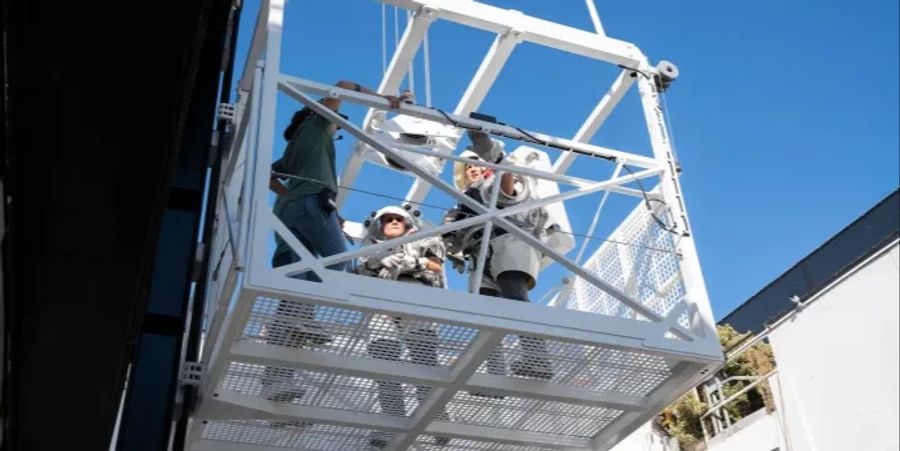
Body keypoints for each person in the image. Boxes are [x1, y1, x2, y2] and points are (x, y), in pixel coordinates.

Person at [262, 81, 411, 405]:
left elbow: (266, 174)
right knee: (339, 262)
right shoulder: (318, 124)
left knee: (293, 285)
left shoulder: (291, 152)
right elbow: (342, 86)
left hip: (288, 214)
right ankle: (306, 317)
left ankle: (274, 377)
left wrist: (291, 195)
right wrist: (386, 99)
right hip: (314, 203)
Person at [442, 130, 555, 385]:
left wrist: (486, 148)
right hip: (480, 255)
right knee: (486, 314)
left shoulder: (496, 185)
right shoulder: (463, 203)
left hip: (508, 243)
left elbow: (505, 182)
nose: (473, 169)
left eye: (477, 164)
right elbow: (451, 239)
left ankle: (538, 358)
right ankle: (495, 372)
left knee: (515, 297)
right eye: (469, 166)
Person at [356, 205, 450, 448]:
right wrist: (378, 261)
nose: (394, 222)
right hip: (382, 301)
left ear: (407, 223)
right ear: (381, 226)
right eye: (388, 220)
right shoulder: (371, 250)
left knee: (425, 362)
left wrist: (412, 262)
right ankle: (391, 421)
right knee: (385, 368)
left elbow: (437, 266)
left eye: (398, 219)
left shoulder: (424, 239)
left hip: (415, 295)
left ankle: (436, 417)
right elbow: (358, 276)